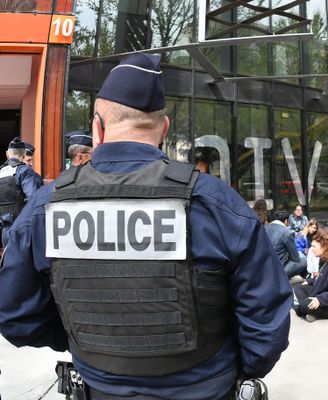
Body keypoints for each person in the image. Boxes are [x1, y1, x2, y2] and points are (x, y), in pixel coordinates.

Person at [0, 54, 292, 400]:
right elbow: (267, 320)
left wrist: (79, 340)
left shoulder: (45, 206)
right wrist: (233, 371)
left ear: (97, 127)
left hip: (99, 388)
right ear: (163, 128)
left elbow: (15, 313)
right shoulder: (217, 203)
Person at [293, 228, 328, 322]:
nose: (312, 250)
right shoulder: (324, 259)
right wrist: (309, 281)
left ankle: (303, 308)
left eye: (314, 247)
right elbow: (322, 277)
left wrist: (320, 299)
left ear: (324, 247)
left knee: (304, 305)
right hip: (323, 292)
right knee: (298, 288)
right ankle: (311, 311)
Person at [0, 137, 43, 246]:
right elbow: (33, 199)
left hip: (4, 230)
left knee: (8, 261)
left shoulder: (0, 172)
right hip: (21, 229)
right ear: (23, 155)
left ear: (7, 154)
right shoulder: (24, 171)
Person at [266, 210, 308, 279]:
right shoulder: (286, 232)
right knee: (303, 259)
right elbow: (296, 258)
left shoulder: (266, 228)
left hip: (265, 268)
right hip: (277, 271)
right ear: (286, 221)